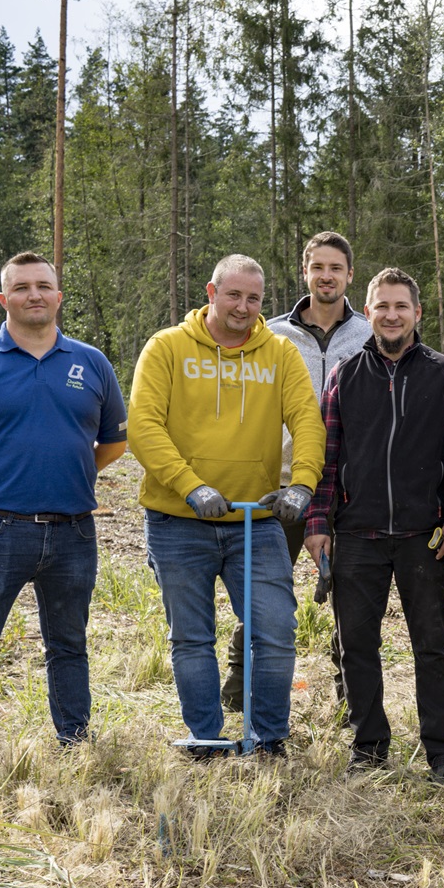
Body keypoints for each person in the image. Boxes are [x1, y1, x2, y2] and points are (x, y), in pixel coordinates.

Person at [0, 252, 127, 765]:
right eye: (21, 287)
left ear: (59, 297)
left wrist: (68, 478)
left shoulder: (92, 363)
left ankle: (75, 746)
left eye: (43, 286)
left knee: (69, 645)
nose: (33, 294)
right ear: (3, 298)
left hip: (73, 532)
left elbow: (113, 443)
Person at [128, 253, 325, 757]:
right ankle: (206, 738)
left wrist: (301, 485)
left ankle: (268, 739)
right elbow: (144, 428)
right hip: (177, 521)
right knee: (192, 637)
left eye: (254, 298)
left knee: (276, 629)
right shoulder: (167, 348)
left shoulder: (279, 354)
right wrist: (191, 486)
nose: (243, 306)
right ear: (211, 293)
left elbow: (307, 422)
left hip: (255, 520)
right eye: (233, 295)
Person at [305, 269, 444, 776]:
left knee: (433, 649)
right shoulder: (346, 375)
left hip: (426, 538)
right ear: (368, 313)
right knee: (356, 647)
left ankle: (442, 753)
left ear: (418, 313)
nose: (391, 315)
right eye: (382, 306)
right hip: (357, 535)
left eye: (401, 306)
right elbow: (328, 458)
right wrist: (318, 521)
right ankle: (369, 748)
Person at [223, 231, 373, 710]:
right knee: (265, 589)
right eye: (318, 267)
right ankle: (239, 683)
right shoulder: (272, 334)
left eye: (336, 268)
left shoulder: (371, 334)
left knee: (353, 599)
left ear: (350, 275)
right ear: (305, 272)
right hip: (283, 484)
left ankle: (350, 693)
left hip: (353, 486)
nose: (326, 276)